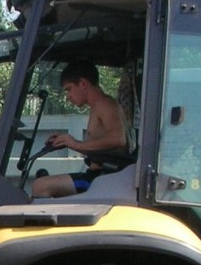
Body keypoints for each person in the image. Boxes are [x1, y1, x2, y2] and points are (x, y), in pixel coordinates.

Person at [31, 59, 130, 198]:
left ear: (83, 83)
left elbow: (118, 139)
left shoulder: (105, 104)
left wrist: (76, 144)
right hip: (98, 176)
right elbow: (100, 148)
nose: (68, 97)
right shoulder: (98, 106)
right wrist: (68, 143)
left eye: (69, 89)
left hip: (102, 179)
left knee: (40, 186)